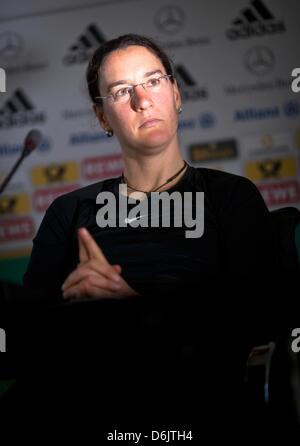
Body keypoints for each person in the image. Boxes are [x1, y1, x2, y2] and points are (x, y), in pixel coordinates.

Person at [21, 34, 293, 437]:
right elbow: (28, 336)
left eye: (152, 81)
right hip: (89, 392)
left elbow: (261, 317)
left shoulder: (230, 196)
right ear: (102, 118)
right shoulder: (70, 211)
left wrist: (129, 305)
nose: (141, 100)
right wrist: (71, 303)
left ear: (176, 94)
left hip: (199, 393)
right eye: (120, 91)